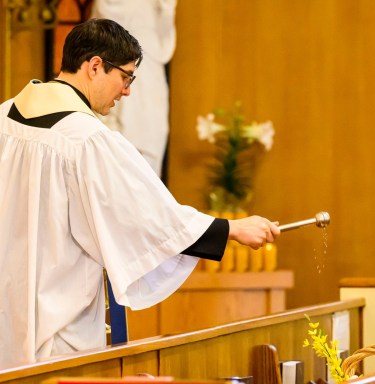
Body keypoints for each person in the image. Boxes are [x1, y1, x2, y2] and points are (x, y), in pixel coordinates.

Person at [0, 18, 280, 368]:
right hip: (57, 325)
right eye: (126, 77)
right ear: (95, 66)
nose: (128, 91)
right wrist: (230, 229)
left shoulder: (4, 118)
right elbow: (147, 215)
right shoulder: (86, 139)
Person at [91, 0, 176, 177]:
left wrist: (167, 9)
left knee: (150, 130)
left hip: (149, 69)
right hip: (114, 65)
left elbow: (164, 38)